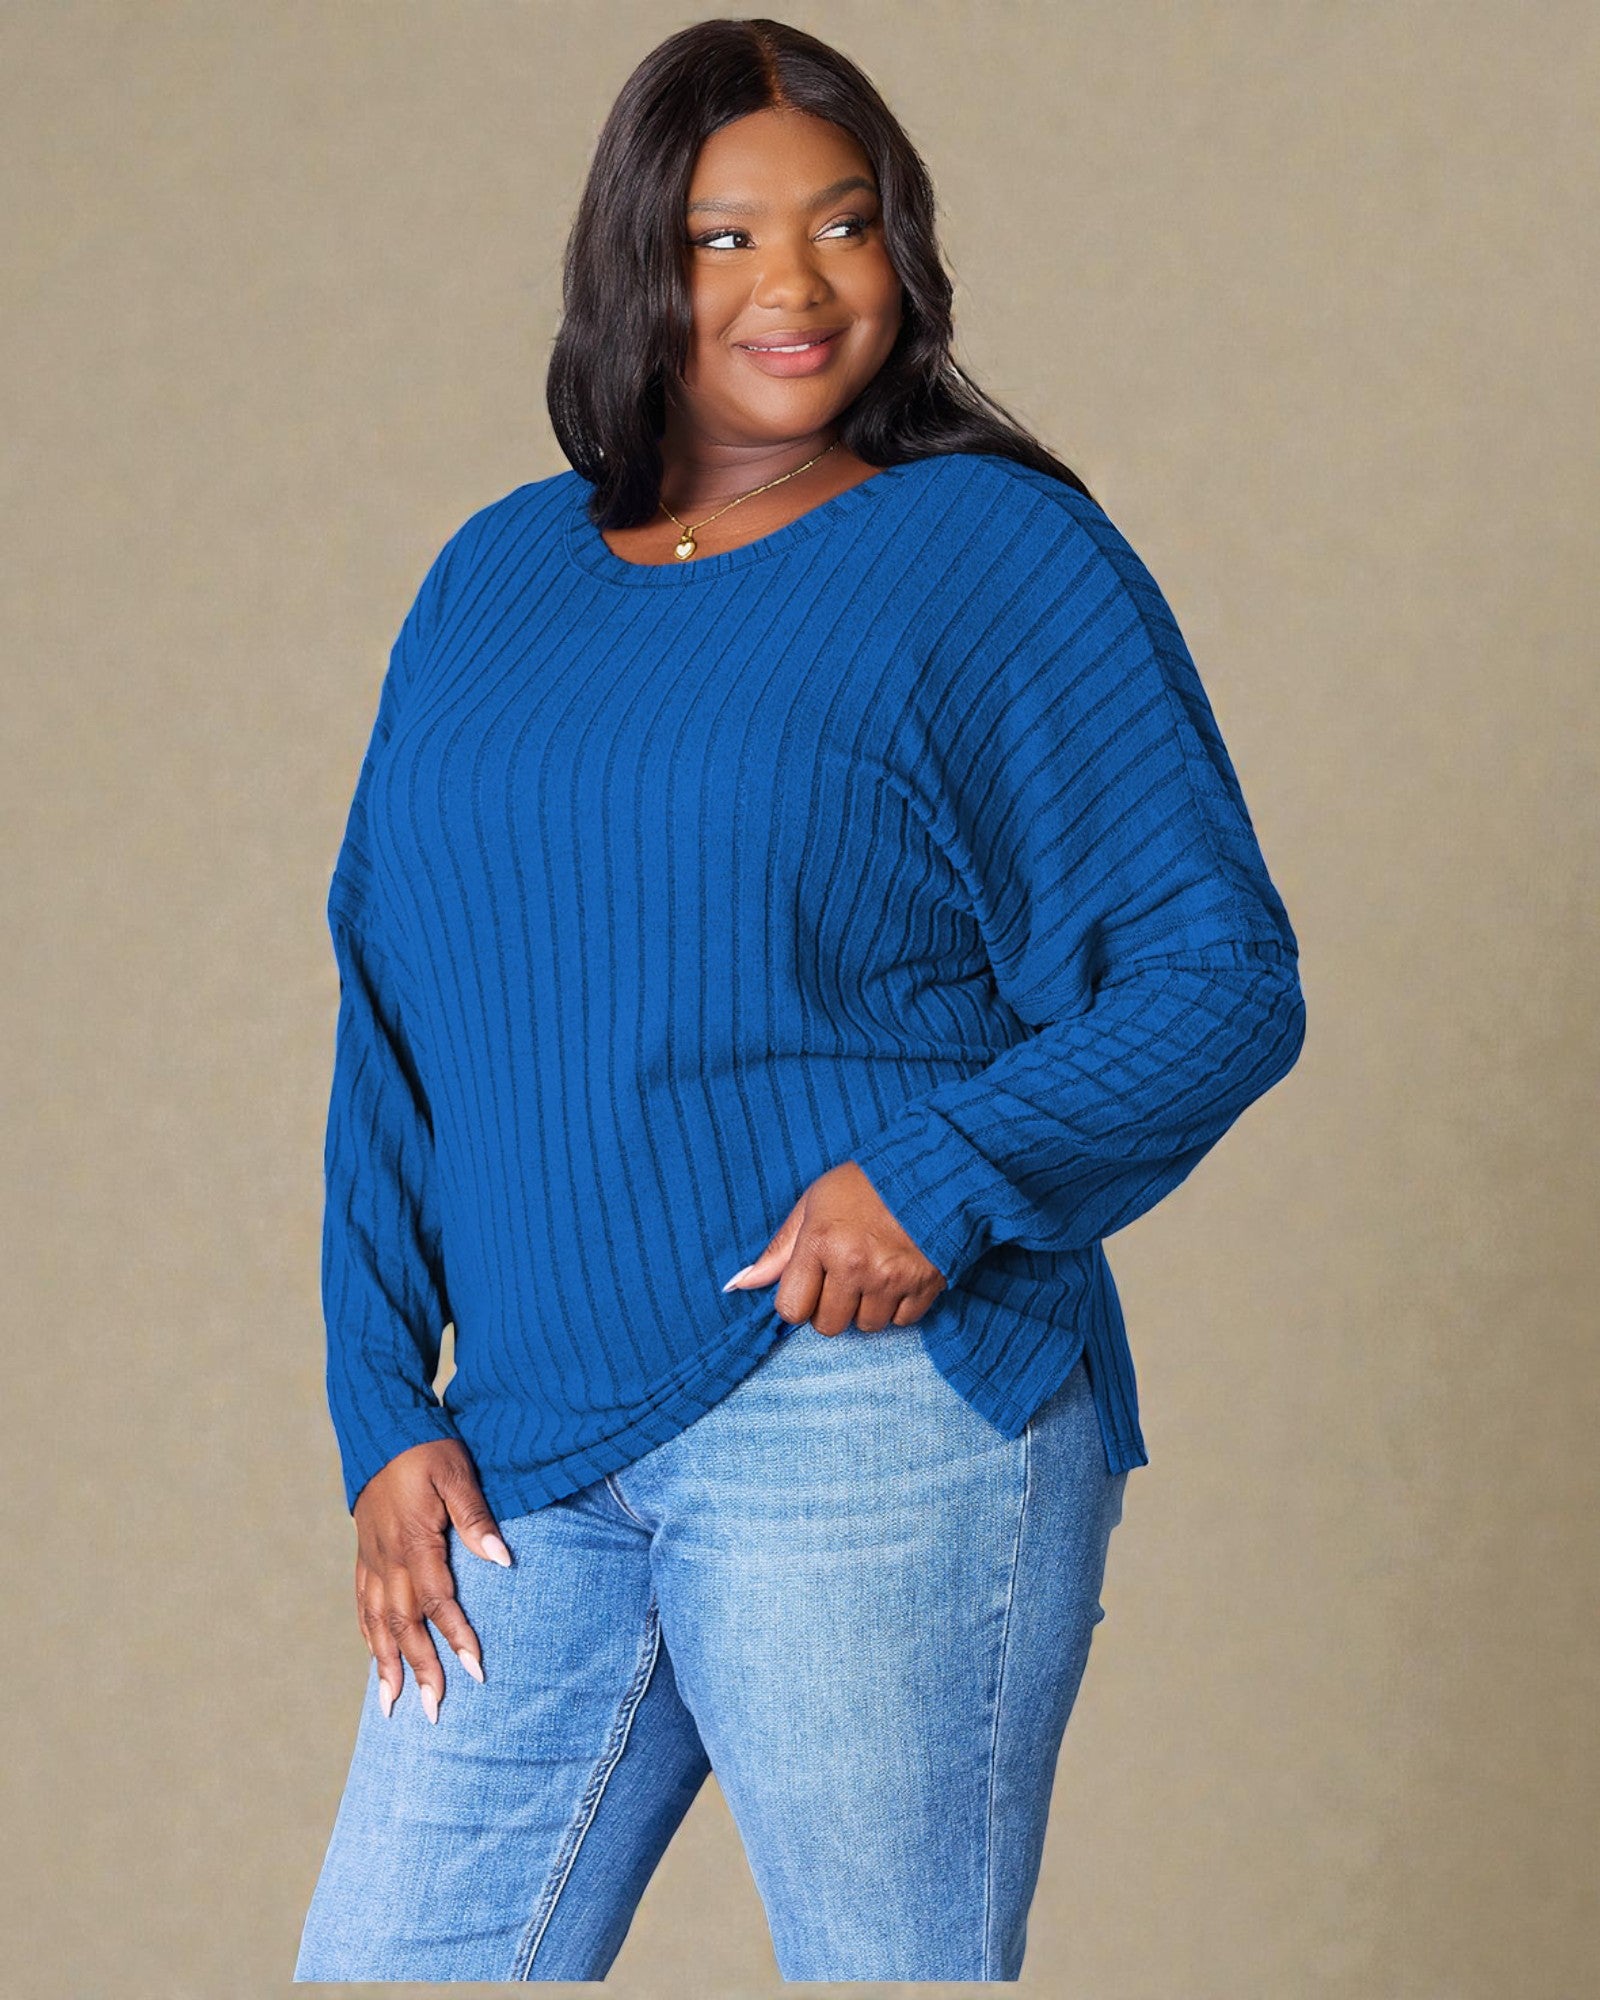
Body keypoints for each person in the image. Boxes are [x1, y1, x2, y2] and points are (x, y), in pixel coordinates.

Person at [294, 16, 1306, 1985]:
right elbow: (393, 1013)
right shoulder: (488, 579)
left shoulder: (984, 556)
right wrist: (368, 1407)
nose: (795, 286)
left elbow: (1216, 976)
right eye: (723, 237)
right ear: (633, 266)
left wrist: (944, 1169)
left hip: (863, 1417)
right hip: (516, 1449)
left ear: (902, 257)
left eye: (844, 228)